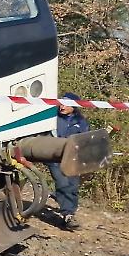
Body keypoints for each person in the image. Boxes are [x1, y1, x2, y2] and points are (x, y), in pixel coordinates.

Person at [48, 92, 90, 230]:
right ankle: (66, 213)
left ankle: (69, 214)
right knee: (62, 183)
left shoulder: (81, 122)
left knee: (72, 186)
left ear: (75, 106)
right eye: (61, 103)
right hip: (54, 156)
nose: (62, 106)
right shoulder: (52, 117)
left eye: (66, 104)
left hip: (72, 158)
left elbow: (85, 140)